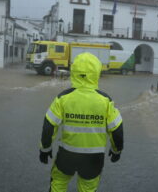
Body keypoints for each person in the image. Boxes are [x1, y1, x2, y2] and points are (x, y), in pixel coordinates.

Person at [39, 52, 124, 192]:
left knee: (58, 183)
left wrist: (45, 149)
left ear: (74, 71)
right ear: (96, 72)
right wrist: (117, 150)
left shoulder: (63, 98)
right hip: (94, 158)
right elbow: (117, 129)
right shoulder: (105, 100)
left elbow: (49, 125)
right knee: (88, 189)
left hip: (67, 155)